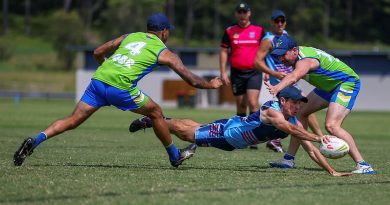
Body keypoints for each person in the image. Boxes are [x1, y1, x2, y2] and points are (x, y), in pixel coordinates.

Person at [13, 13, 222, 168]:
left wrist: (105, 66)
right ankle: (175, 156)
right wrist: (210, 85)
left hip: (98, 81)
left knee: (72, 120)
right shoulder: (164, 52)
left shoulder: (129, 36)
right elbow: (191, 79)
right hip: (120, 87)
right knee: (156, 113)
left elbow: (97, 52)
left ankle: (36, 140)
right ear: (164, 32)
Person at [129, 86, 352, 177]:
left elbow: (311, 149)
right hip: (229, 133)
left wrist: (331, 171)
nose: (298, 106)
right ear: (283, 100)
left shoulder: (293, 119)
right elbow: (289, 129)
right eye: (295, 103)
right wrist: (319, 135)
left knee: (193, 129)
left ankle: (159, 120)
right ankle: (153, 121)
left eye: (300, 103)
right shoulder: (273, 111)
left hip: (232, 141)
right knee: (186, 133)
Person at [265, 35, 375, 174]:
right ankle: (288, 159)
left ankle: (363, 165)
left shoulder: (305, 60)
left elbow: (294, 77)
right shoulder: (297, 58)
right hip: (328, 86)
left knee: (332, 125)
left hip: (346, 83)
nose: (281, 59)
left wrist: (277, 88)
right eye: (278, 55)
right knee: (300, 114)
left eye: (283, 54)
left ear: (294, 51)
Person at [253, 10, 323, 165]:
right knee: (302, 109)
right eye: (276, 21)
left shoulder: (286, 35)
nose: (279, 24)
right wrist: (273, 73)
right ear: (271, 22)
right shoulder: (268, 40)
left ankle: (280, 143)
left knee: (299, 111)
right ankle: (320, 139)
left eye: (282, 21)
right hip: (281, 83)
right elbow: (257, 61)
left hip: (292, 80)